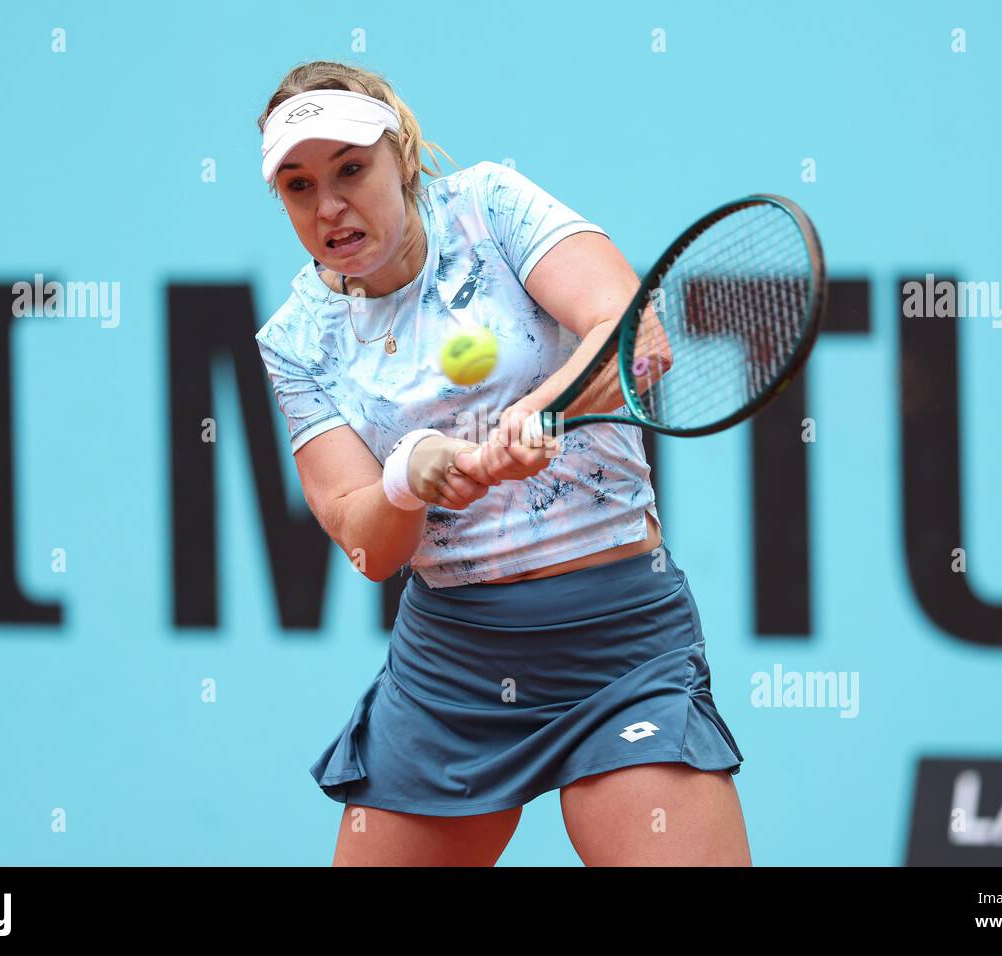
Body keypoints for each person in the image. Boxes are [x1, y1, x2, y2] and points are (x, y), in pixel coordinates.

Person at [254, 60, 749, 866]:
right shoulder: (296, 340)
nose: (331, 206)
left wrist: (539, 408)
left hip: (617, 647)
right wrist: (408, 474)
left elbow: (637, 337)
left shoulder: (490, 204)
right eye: (300, 186)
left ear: (401, 157)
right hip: (452, 672)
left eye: (351, 169)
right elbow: (367, 545)